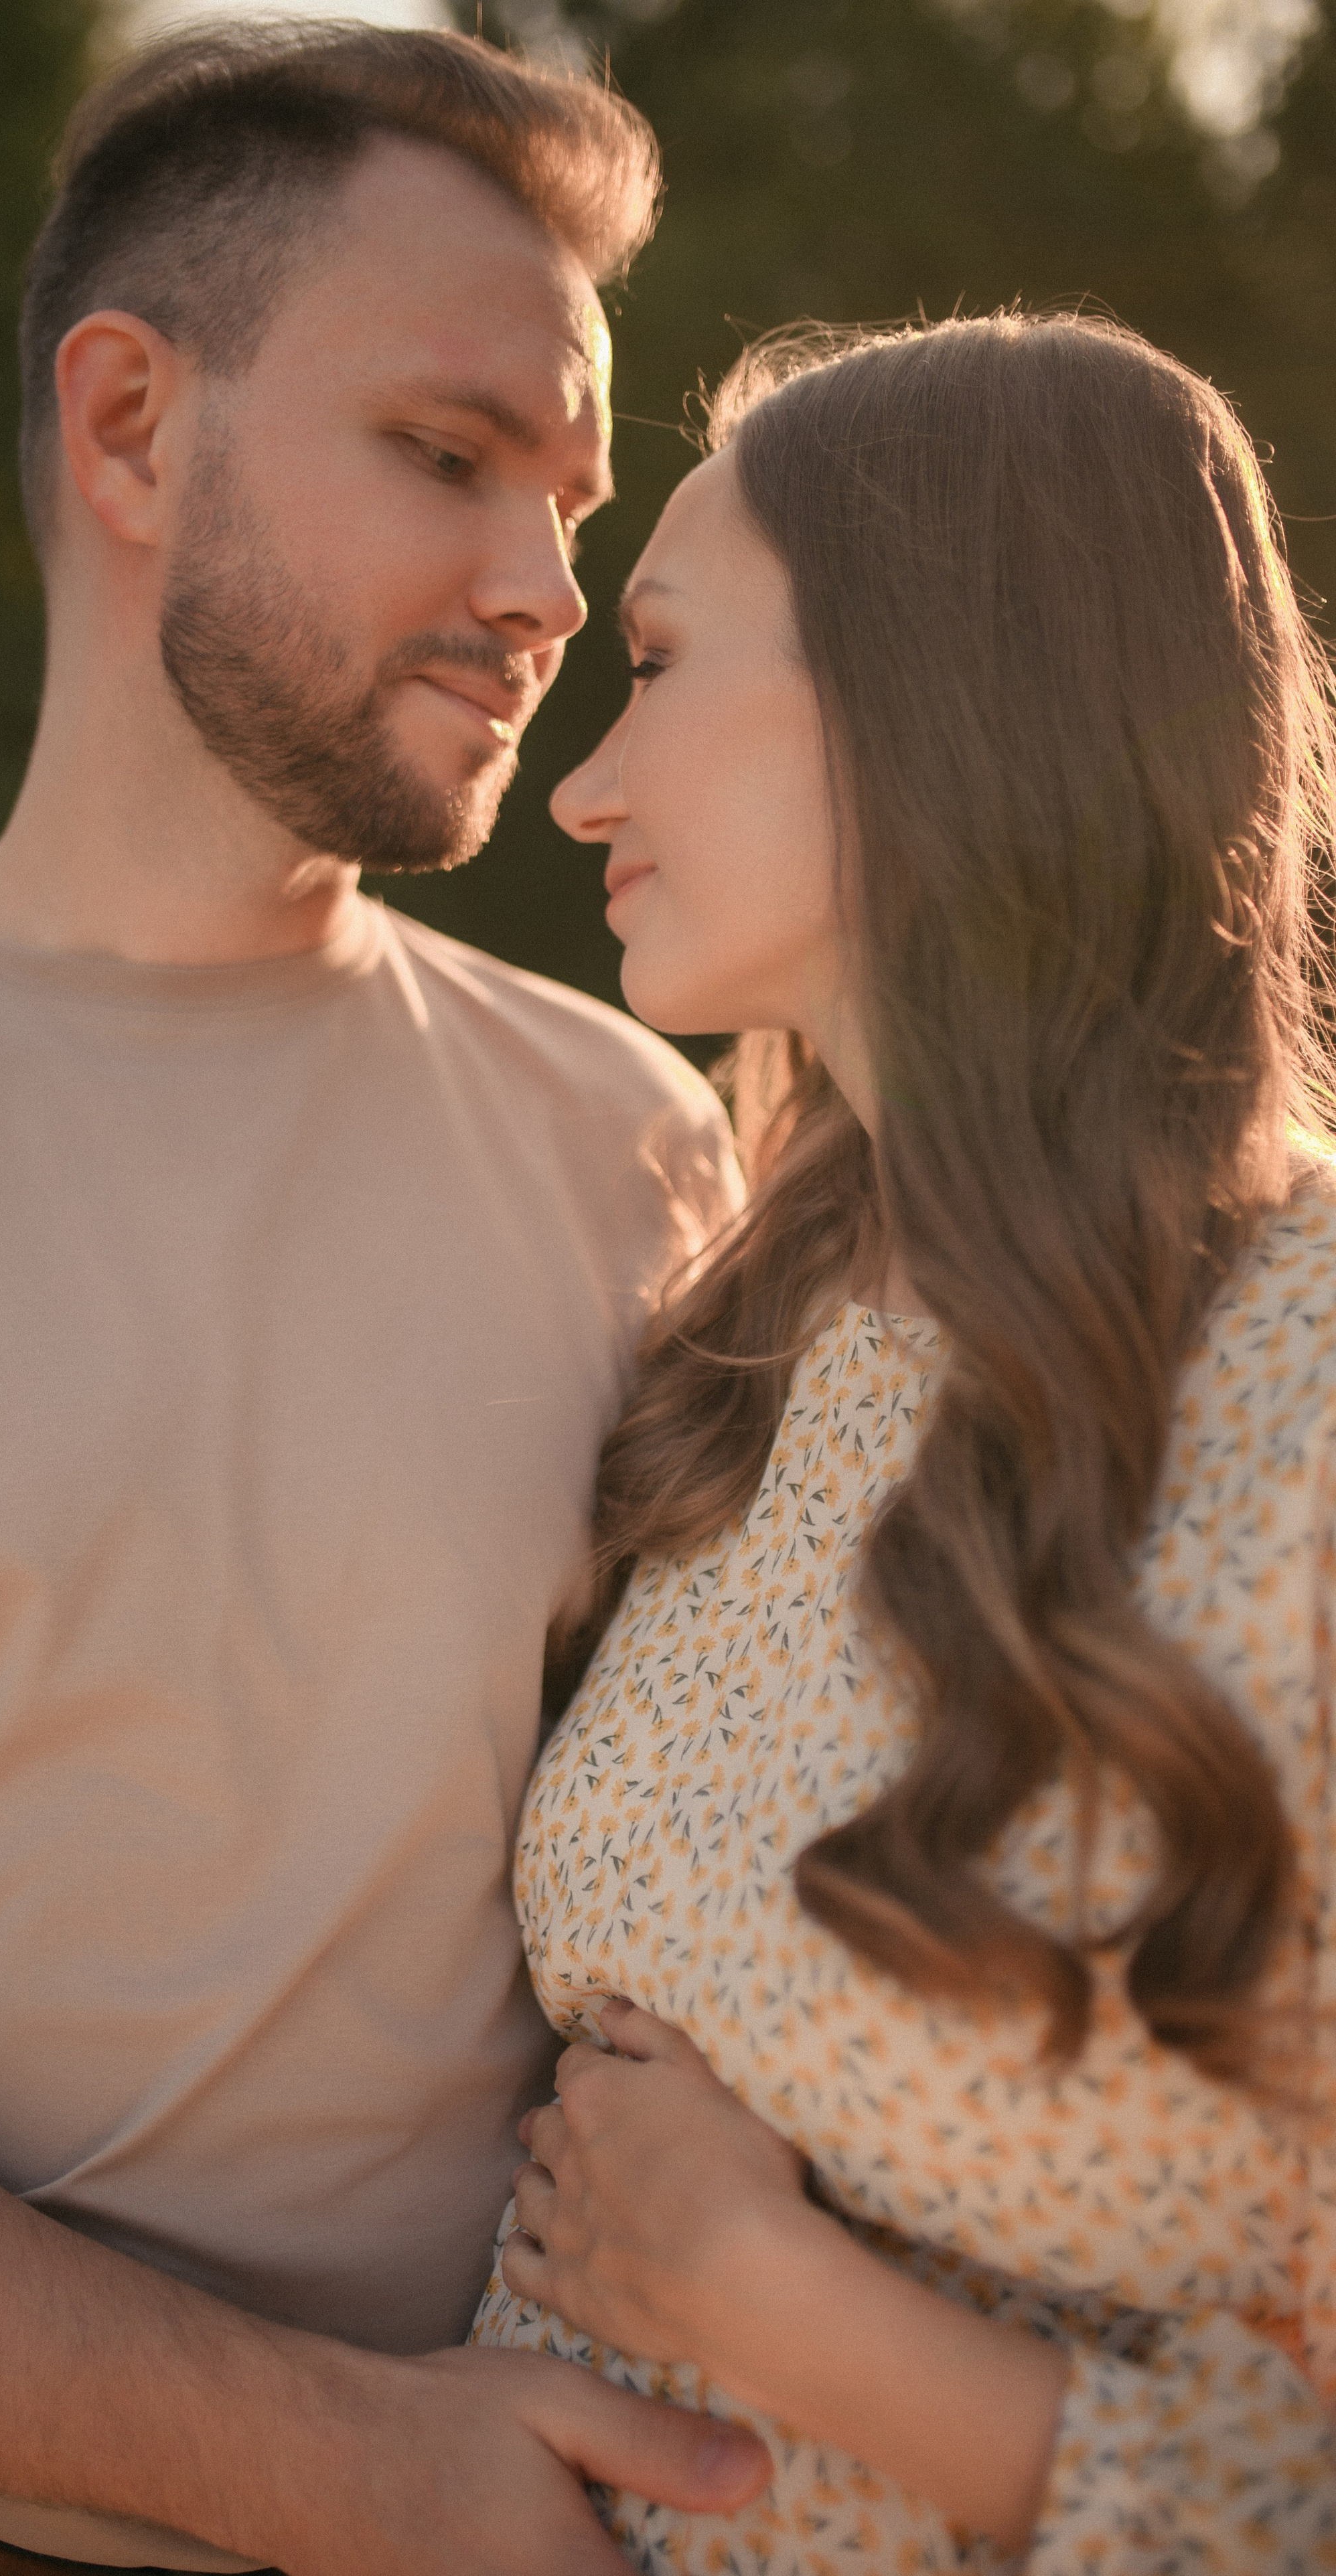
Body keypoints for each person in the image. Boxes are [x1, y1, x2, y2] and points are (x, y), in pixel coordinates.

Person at [0, 24, 769, 2576]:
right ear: (133, 428)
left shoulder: (646, 1148)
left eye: (570, 507)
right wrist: (357, 2468)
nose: (546, 590)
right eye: (450, 455)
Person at [470, 310, 1336, 2571]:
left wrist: (768, 2301)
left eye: (655, 667)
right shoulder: (754, 1326)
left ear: (930, 693)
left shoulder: (1310, 1382)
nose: (579, 784)